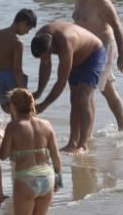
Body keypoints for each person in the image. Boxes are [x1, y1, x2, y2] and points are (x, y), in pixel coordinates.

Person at [0, 88, 62, 215]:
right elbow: (56, 156)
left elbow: (3, 155)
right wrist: (59, 179)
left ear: (14, 107)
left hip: (26, 178)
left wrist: (0, 136)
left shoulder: (14, 127)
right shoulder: (46, 124)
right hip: (48, 177)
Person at [69, 0, 123, 131]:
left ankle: (122, 127)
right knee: (91, 90)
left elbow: (117, 25)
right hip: (85, 49)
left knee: (100, 91)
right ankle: (90, 134)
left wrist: (122, 55)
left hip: (103, 47)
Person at [29, 20, 104, 152]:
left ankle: (82, 145)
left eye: (45, 56)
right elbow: (46, 66)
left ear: (51, 48)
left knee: (82, 97)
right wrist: (39, 92)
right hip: (76, 56)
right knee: (73, 99)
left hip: (93, 54)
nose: (45, 59)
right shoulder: (41, 37)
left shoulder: (66, 42)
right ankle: (72, 143)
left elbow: (61, 82)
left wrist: (44, 105)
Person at [0, 9, 37, 111]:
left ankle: (11, 126)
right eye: (28, 28)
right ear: (23, 23)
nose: (27, 32)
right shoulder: (18, 42)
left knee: (9, 109)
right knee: (21, 110)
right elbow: (17, 69)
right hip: (12, 79)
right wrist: (24, 90)